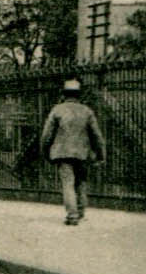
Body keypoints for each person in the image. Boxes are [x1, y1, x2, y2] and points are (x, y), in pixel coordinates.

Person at [40, 78, 106, 226]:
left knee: (68, 184)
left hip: (63, 153)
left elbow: (46, 135)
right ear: (79, 95)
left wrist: (45, 151)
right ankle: (81, 212)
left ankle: (72, 215)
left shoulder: (57, 110)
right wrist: (101, 154)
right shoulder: (87, 111)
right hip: (82, 153)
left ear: (64, 94)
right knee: (81, 182)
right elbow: (97, 135)